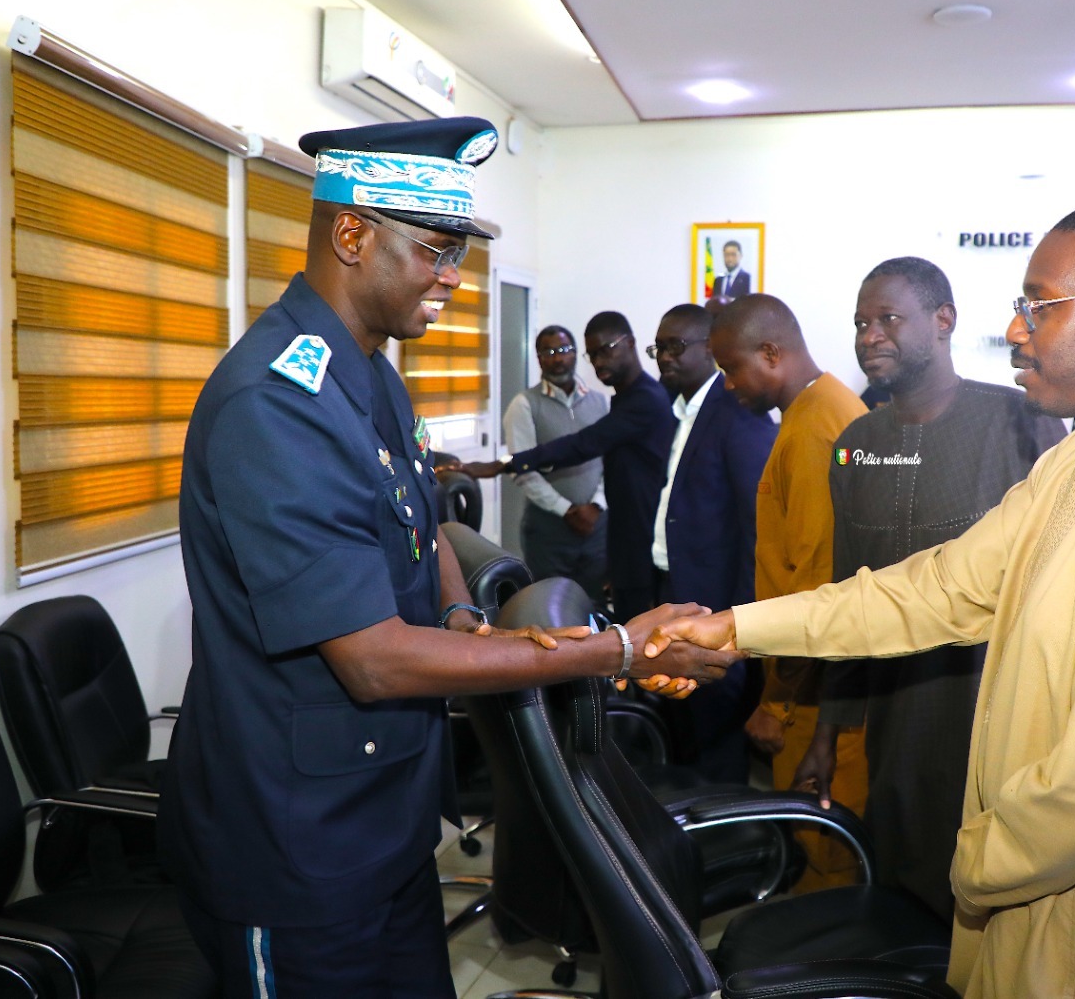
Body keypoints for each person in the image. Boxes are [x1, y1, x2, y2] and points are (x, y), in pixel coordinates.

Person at [646, 196, 1075, 999]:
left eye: (1039, 306)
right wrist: (734, 628)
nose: (1018, 329)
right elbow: (938, 588)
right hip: (1038, 901)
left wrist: (963, 862)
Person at [159, 118, 738, 999]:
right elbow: (375, 659)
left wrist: (465, 616)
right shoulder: (275, 403)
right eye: (434, 251)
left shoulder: (374, 375)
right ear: (351, 233)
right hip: (295, 846)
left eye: (457, 251)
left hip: (383, 820)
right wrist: (620, 649)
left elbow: (422, 529)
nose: (453, 278)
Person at [795, 256, 1064, 921]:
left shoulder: (1019, 422)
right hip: (896, 726)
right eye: (861, 322)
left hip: (997, 722)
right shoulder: (855, 444)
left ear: (943, 321)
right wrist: (829, 733)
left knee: (989, 910)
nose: (869, 335)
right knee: (903, 904)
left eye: (888, 318)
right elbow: (847, 592)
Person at [713, 293, 870, 889]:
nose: (728, 385)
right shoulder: (827, 406)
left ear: (771, 353)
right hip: (819, 676)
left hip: (813, 689)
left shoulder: (812, 430)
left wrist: (776, 703)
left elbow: (816, 585)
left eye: (732, 369)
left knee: (821, 850)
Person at [458, 312, 673, 621]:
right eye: (593, 354)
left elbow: (585, 445)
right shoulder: (621, 398)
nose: (598, 363)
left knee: (627, 625)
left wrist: (502, 464)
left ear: (629, 343)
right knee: (553, 611)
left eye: (605, 350)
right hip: (574, 532)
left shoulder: (642, 399)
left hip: (634, 533)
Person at [649, 302, 777, 781]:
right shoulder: (683, 410)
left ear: (710, 349)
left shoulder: (735, 410)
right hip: (677, 594)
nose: (664, 357)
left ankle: (730, 841)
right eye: (658, 348)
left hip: (717, 612)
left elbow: (755, 527)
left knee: (716, 747)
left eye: (675, 346)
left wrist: (740, 624)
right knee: (684, 733)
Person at [503, 324, 610, 607]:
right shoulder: (524, 405)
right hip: (548, 529)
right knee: (551, 607)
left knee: (594, 604)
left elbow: (610, 460)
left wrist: (596, 505)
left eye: (563, 350)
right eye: (548, 352)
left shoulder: (600, 402)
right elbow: (523, 470)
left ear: (575, 354)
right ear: (538, 357)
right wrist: (567, 510)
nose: (557, 358)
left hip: (597, 523)